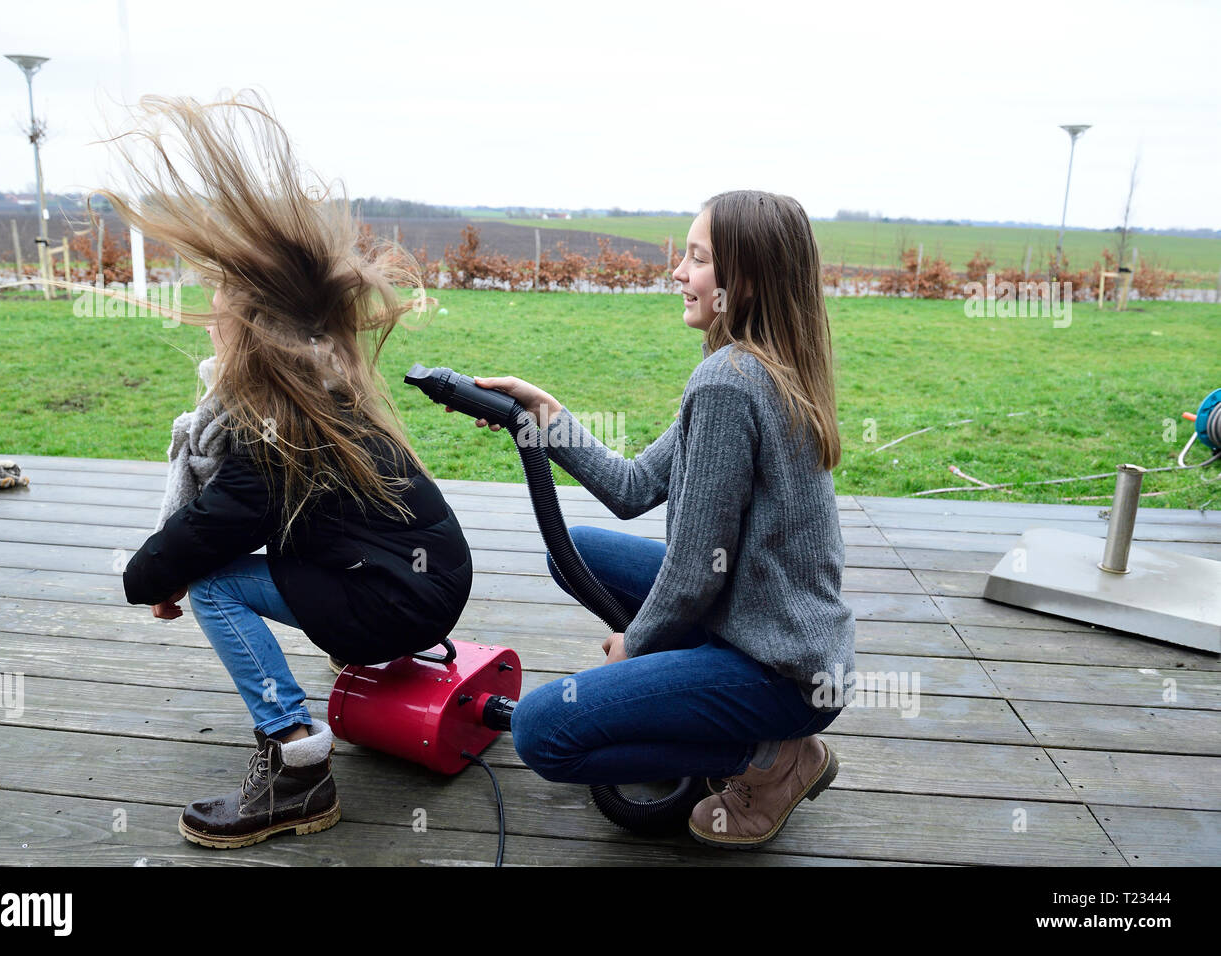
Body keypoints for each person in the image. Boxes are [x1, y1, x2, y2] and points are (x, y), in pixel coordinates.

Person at [115, 92, 472, 849]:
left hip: (399, 600)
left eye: (218, 309)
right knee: (266, 556)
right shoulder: (326, 387)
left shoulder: (276, 429)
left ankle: (296, 764)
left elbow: (216, 525)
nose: (209, 317)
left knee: (214, 585)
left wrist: (145, 576)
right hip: (428, 580)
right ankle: (353, 672)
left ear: (252, 334)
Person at [462, 190, 856, 849]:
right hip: (773, 629)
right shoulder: (757, 363)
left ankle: (769, 758)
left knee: (540, 732)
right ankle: (716, 703)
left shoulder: (728, 381)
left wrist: (635, 646)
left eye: (697, 258)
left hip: (780, 672)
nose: (677, 271)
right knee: (575, 551)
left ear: (747, 279)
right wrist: (544, 416)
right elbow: (634, 485)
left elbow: (697, 572)